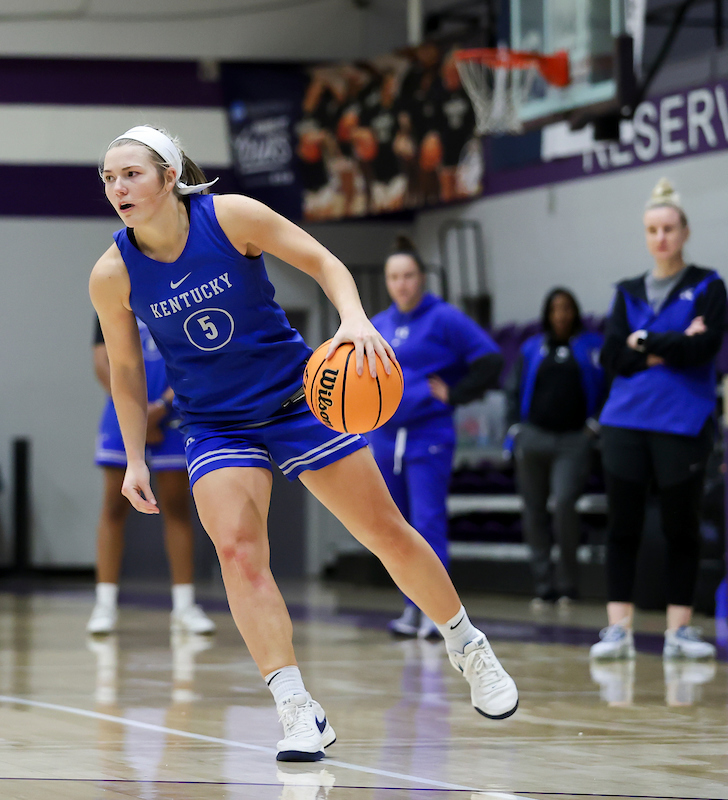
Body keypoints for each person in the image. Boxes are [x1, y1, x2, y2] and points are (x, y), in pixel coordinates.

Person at [90, 124, 518, 763]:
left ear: (169, 177)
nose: (118, 187)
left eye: (131, 174)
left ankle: (466, 644)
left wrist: (353, 320)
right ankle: (296, 706)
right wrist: (134, 457)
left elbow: (323, 262)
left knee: (385, 533)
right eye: (109, 177)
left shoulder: (229, 216)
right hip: (214, 423)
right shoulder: (112, 273)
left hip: (299, 400)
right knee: (238, 552)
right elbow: (124, 372)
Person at [591, 178, 721, 662]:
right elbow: (610, 357)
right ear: (645, 235)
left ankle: (679, 632)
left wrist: (642, 343)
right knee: (622, 527)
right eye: (652, 229)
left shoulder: (708, 286)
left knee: (680, 528)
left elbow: (703, 349)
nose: (660, 237)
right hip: (625, 422)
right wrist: (670, 343)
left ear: (684, 231)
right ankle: (618, 629)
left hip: (683, 424)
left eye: (668, 228)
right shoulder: (626, 291)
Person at [369, 237, 504, 639]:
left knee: (427, 522)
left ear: (421, 278)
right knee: (395, 527)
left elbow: (491, 358)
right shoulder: (378, 323)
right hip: (385, 437)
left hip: (429, 434)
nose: (402, 284)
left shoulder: (444, 318)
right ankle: (411, 608)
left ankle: (438, 613)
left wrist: (456, 393)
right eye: (394, 277)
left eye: (408, 275)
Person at [88, 316, 216, 635]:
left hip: (170, 416)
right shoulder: (112, 290)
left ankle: (185, 606)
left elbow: (192, 360)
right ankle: (104, 604)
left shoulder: (174, 294)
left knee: (176, 507)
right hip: (122, 410)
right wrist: (135, 412)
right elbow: (102, 361)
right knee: (113, 506)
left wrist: (158, 408)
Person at [507, 288, 604, 607]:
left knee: (564, 506)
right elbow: (513, 389)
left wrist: (594, 426)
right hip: (534, 438)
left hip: (573, 440)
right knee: (533, 512)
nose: (560, 314)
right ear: (547, 314)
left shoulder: (591, 347)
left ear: (575, 312)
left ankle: (568, 585)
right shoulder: (532, 348)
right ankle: (543, 585)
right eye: (554, 309)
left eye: (566, 308)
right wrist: (515, 431)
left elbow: (608, 387)